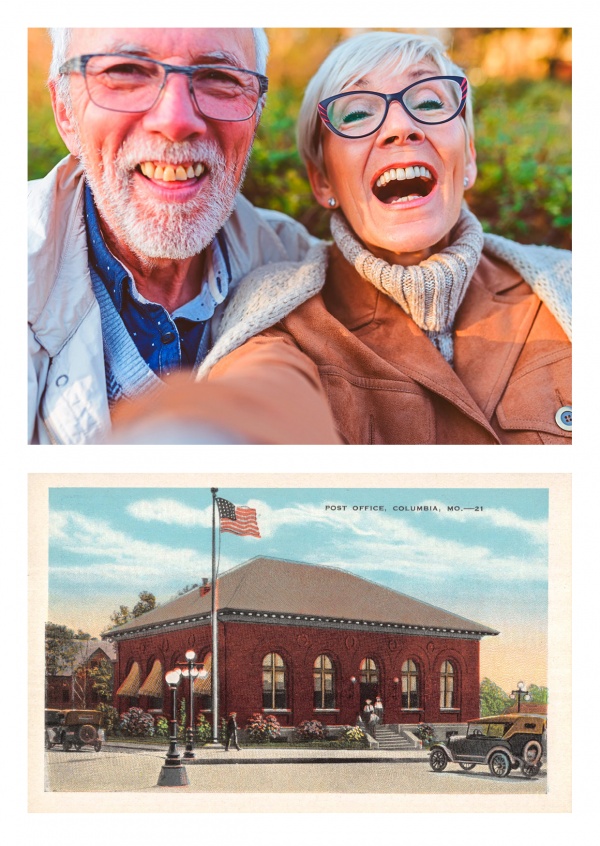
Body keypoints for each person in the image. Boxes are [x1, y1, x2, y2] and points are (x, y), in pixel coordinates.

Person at [193, 30, 571, 444]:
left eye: (429, 103)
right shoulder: (279, 317)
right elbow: (257, 404)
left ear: (470, 158)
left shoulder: (569, 287)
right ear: (322, 181)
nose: (401, 127)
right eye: (356, 114)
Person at [28, 27, 338, 444]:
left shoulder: (299, 266)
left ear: (256, 112)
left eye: (219, 78)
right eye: (126, 72)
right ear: (65, 111)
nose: (175, 121)